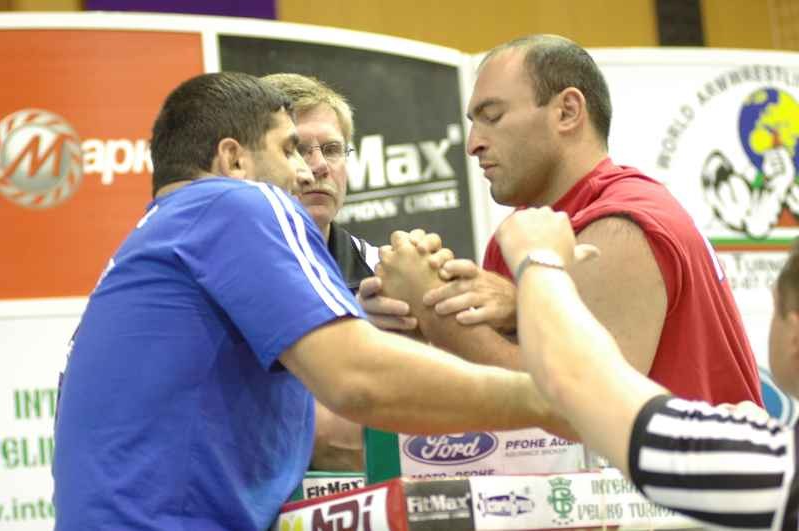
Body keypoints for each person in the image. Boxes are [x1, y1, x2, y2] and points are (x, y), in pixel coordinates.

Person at [52, 72, 559, 531]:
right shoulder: (234, 202)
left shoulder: (158, 236)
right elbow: (357, 381)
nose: (305, 173)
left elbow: (335, 419)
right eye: (291, 150)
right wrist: (556, 402)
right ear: (234, 159)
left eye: (326, 152)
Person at [375, 34, 762, 439]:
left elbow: (584, 411)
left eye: (492, 116)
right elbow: (496, 421)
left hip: (685, 499)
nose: (473, 144)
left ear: (567, 111)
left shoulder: (624, 224)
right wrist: (410, 330)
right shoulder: (523, 232)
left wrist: (433, 308)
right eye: (473, 123)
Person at [494, 205, 798, 530]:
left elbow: (579, 383)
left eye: (774, 307)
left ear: (794, 333)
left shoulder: (777, 469)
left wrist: (538, 262)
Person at [261, 72, 421, 471]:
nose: (318, 167)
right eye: (297, 149)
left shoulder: (385, 268)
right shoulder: (225, 273)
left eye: (332, 150)